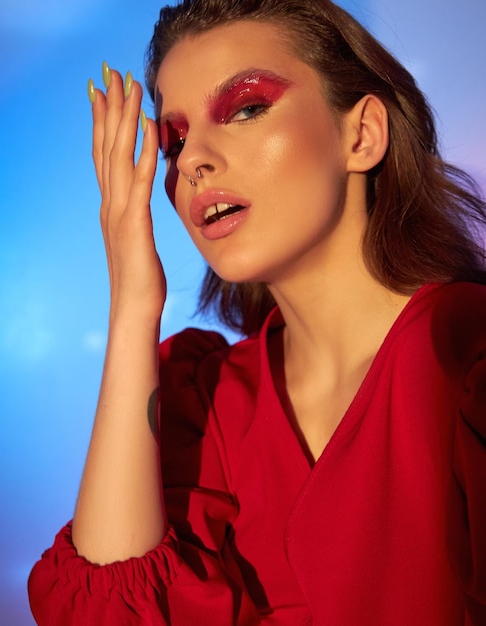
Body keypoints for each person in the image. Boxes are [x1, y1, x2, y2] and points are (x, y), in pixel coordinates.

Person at [28, 0, 486, 623]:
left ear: (362, 134)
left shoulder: (465, 356)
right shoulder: (209, 401)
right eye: (174, 140)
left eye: (245, 108)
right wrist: (133, 304)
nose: (190, 161)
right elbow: (110, 611)